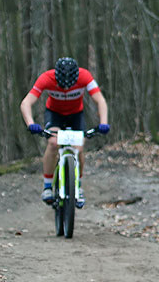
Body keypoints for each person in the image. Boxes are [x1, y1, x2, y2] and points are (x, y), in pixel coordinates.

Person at [19, 57, 109, 208]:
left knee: (79, 147)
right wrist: (30, 124)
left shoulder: (85, 76)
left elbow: (100, 100)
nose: (66, 88)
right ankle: (48, 186)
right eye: (62, 84)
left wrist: (104, 122)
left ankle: (78, 187)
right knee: (53, 143)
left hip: (76, 115)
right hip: (55, 115)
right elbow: (26, 102)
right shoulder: (46, 78)